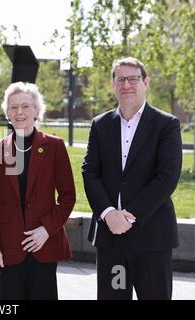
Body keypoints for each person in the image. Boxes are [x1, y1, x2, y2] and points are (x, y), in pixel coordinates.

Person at [82, 57, 182, 300]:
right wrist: (108, 214)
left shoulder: (166, 124)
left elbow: (167, 177)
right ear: (113, 84)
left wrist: (129, 215)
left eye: (133, 79)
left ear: (145, 82)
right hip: (111, 239)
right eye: (121, 79)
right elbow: (90, 171)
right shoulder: (100, 124)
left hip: (152, 237)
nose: (127, 84)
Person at [0, 82, 76, 300]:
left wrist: (47, 229)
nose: (19, 112)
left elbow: (68, 197)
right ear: (7, 113)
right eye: (13, 107)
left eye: (25, 106)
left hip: (44, 244)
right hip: (7, 249)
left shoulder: (54, 146)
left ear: (36, 111)